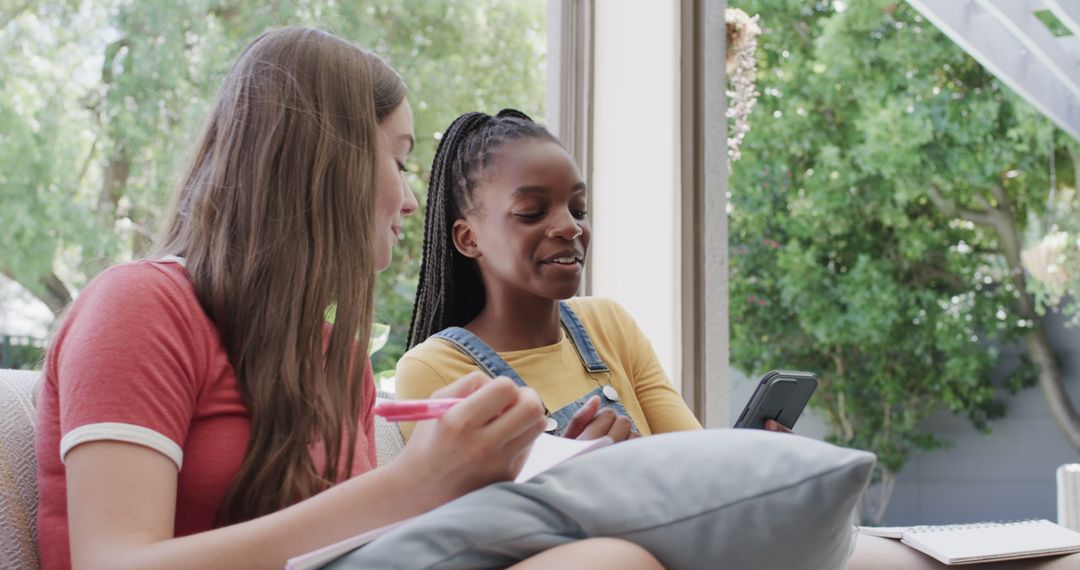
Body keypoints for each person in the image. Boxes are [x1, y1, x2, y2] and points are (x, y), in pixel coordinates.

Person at [34, 26, 662, 570]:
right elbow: (111, 562)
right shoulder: (141, 306)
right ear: (328, 164)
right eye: (401, 161)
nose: (412, 202)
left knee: (614, 557)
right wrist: (414, 482)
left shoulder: (336, 357)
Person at [397, 109, 791, 441]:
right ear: (468, 238)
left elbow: (692, 464)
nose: (570, 227)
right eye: (532, 212)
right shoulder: (433, 370)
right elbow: (477, 527)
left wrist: (751, 462)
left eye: (578, 209)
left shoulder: (610, 324)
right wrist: (573, 477)